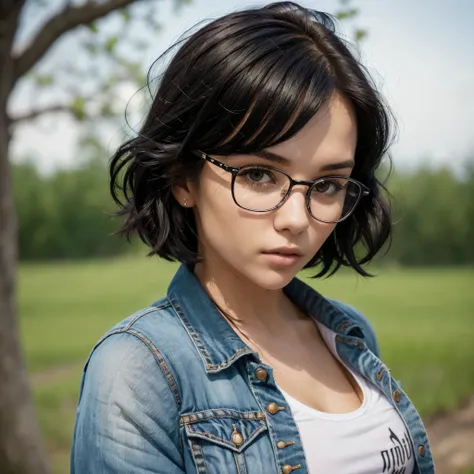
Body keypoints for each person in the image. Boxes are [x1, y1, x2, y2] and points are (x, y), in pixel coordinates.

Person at [70, 2, 434, 473]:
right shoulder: (139, 371)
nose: (297, 219)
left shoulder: (349, 332)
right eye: (260, 175)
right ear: (183, 178)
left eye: (326, 185)